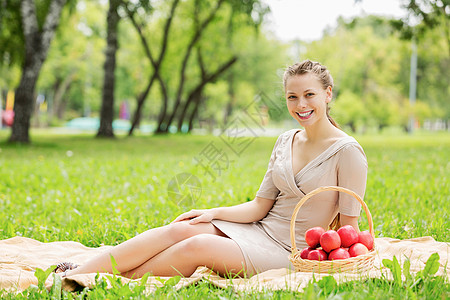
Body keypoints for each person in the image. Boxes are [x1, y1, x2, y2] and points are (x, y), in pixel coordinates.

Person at [54, 60, 367, 279]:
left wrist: (323, 260)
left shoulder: (348, 153)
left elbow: (347, 232)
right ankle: (84, 272)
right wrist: (213, 212)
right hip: (259, 230)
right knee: (183, 228)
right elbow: (260, 206)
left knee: (198, 245)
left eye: (309, 94)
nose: (301, 105)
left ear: (327, 94)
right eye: (292, 97)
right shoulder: (286, 140)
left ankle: (95, 277)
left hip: (290, 251)